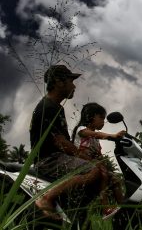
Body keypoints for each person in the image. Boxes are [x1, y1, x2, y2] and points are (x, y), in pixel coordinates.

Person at [29, 65, 113, 220]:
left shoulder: (56, 108)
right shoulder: (47, 107)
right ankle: (46, 198)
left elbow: (64, 142)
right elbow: (60, 142)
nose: (74, 86)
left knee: (105, 174)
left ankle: (74, 211)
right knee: (93, 170)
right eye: (71, 81)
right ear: (58, 82)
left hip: (58, 158)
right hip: (49, 160)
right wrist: (88, 159)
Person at [71, 102, 125, 209]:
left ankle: (124, 208)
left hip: (91, 164)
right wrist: (112, 136)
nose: (103, 121)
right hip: (79, 162)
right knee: (103, 173)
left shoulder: (96, 141)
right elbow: (95, 134)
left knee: (115, 179)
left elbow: (99, 156)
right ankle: (105, 207)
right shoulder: (81, 129)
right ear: (91, 116)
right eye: (101, 118)